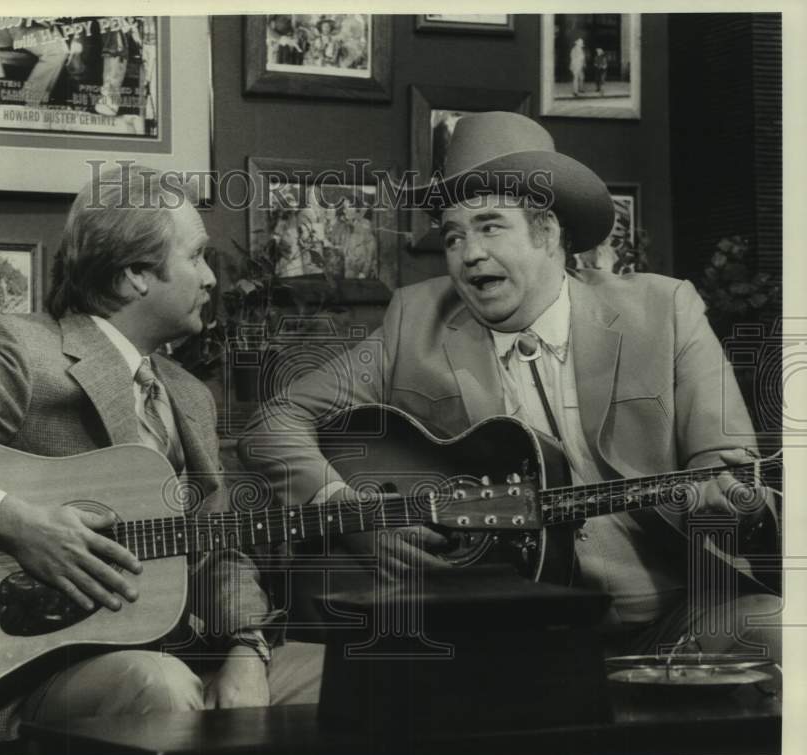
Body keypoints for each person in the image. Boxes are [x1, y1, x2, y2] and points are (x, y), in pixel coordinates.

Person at [239, 112, 781, 662]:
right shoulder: (414, 323)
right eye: (454, 236)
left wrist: (734, 506)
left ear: (549, 234)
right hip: (504, 638)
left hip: (675, 617)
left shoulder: (664, 312)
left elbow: (727, 467)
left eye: (490, 226)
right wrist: (353, 517)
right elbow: (275, 421)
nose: (469, 253)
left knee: (779, 630)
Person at [0, 165, 323, 744]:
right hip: (23, 671)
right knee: (161, 688)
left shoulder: (189, 395)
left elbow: (215, 545)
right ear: (136, 274)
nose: (212, 278)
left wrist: (247, 648)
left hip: (166, 645)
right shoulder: (28, 352)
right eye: (197, 256)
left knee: (343, 676)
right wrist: (14, 524)